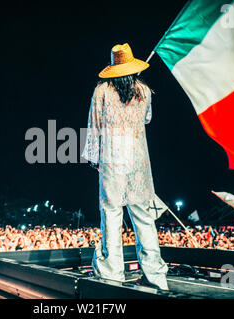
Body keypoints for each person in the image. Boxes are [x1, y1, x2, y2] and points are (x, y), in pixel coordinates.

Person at [82, 43, 169, 290]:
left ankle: (112, 273)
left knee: (111, 214)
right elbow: (147, 119)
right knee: (144, 217)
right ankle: (156, 276)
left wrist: (92, 155)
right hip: (139, 161)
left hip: (112, 158)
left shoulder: (102, 91)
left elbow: (94, 124)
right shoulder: (144, 91)